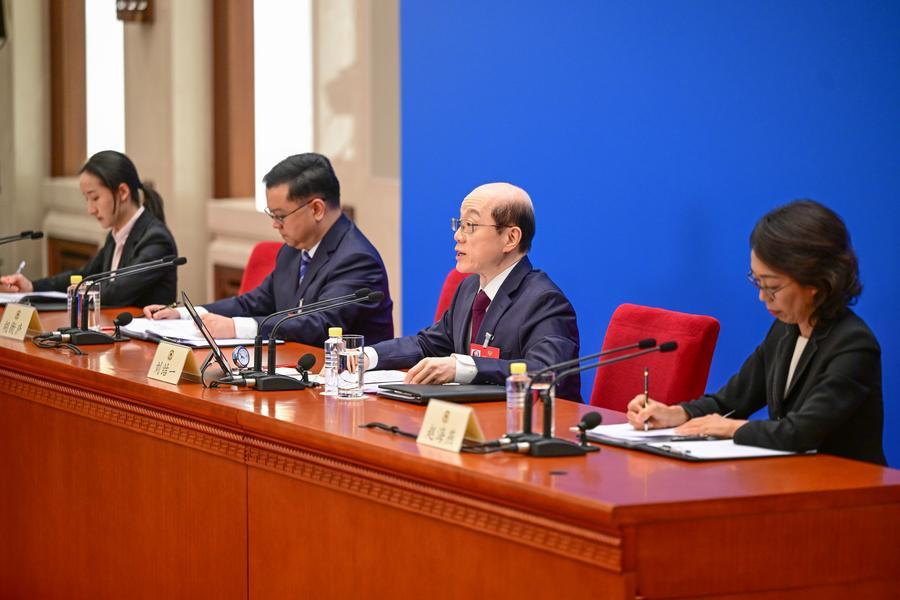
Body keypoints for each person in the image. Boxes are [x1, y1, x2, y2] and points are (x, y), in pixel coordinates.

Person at [628, 200, 885, 464]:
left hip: (848, 490)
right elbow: (729, 401)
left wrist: (731, 428)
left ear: (816, 282)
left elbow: (801, 432)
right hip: (792, 479)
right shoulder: (785, 331)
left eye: (772, 286)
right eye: (757, 282)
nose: (763, 297)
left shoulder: (854, 345)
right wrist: (676, 413)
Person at [144, 152, 393, 346]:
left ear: (317, 209)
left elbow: (319, 324)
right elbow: (253, 303)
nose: (275, 224)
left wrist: (236, 328)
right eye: (272, 215)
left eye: (281, 215)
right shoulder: (293, 251)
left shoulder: (356, 259)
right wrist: (186, 314)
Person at [366, 182, 582, 402]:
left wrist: (463, 368)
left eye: (470, 225)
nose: (458, 236)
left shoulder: (544, 301)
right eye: (459, 224)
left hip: (537, 426)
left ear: (511, 238)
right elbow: (428, 344)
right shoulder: (469, 288)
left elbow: (546, 372)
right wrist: (367, 356)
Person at [0, 150, 177, 307]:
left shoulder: (155, 239)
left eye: (95, 198)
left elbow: (115, 294)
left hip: (144, 343)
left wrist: (73, 295)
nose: (90, 210)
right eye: (87, 199)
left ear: (122, 192)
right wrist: (32, 287)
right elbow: (84, 275)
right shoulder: (116, 236)